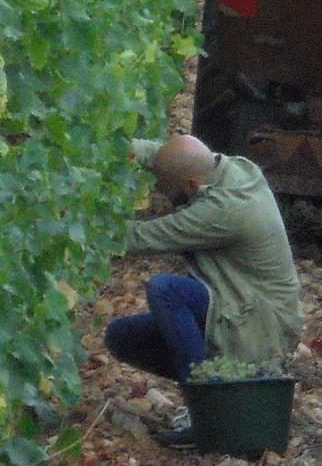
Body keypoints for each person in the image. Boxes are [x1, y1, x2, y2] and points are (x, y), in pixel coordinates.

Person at [104, 134, 304, 447]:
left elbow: (139, 238)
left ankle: (207, 410)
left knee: (167, 290)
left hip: (258, 326)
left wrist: (76, 224)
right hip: (237, 304)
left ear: (193, 185)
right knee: (122, 336)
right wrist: (113, 147)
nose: (159, 190)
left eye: (165, 186)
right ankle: (224, 388)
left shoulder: (225, 211)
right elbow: (169, 157)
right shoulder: (233, 168)